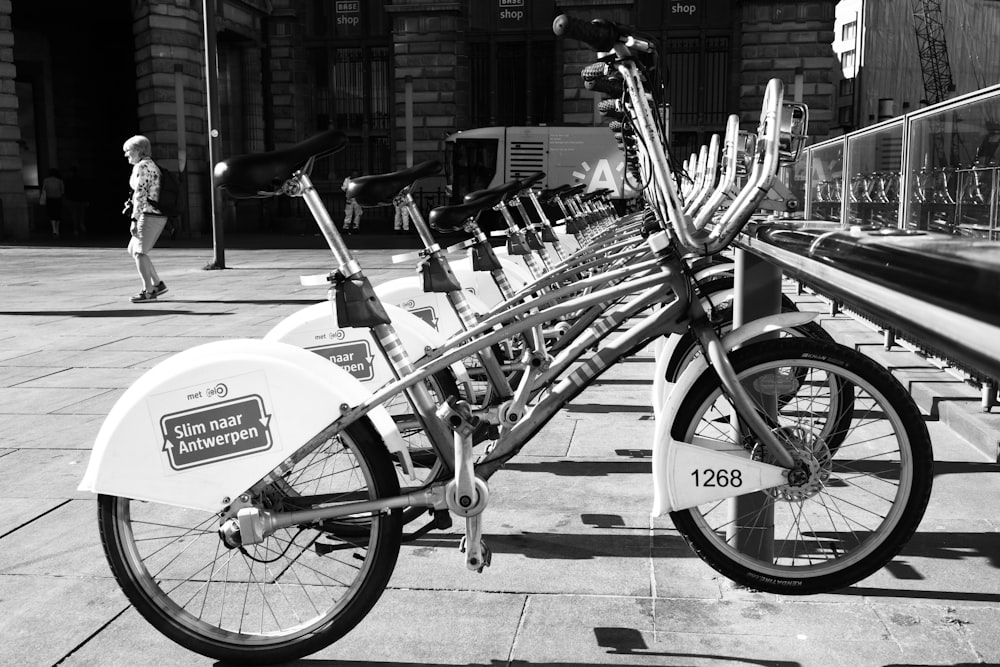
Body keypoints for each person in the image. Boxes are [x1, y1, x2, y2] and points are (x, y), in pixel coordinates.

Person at [122, 135, 169, 303]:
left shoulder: (142, 167)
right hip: (154, 213)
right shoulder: (151, 165)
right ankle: (157, 284)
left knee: (139, 253)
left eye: (128, 151)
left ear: (138, 150)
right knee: (132, 249)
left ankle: (148, 291)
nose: (126, 155)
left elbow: (140, 194)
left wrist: (134, 220)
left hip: (148, 215)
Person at [63, 166, 88, 236]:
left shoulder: (69, 180)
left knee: (74, 215)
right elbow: (85, 189)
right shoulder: (81, 179)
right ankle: (81, 224)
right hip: (81, 199)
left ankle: (76, 229)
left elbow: (67, 190)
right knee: (81, 214)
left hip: (72, 199)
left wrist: (67, 198)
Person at [40, 169, 65, 237]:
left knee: (51, 213)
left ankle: (54, 229)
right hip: (58, 199)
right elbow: (63, 191)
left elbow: (43, 189)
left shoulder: (46, 180)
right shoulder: (60, 181)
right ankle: (57, 229)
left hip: (49, 198)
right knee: (58, 213)